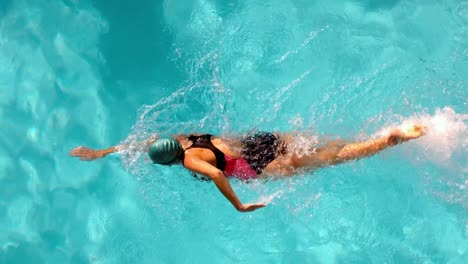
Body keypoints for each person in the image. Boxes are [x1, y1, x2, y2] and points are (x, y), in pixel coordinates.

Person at [70, 124, 427, 212]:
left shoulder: (190, 160)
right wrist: (103, 151)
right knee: (322, 144)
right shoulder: (184, 139)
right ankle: (376, 135)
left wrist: (239, 206)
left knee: (328, 160)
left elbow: (216, 174)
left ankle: (387, 142)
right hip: (262, 140)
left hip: (257, 165)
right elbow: (139, 142)